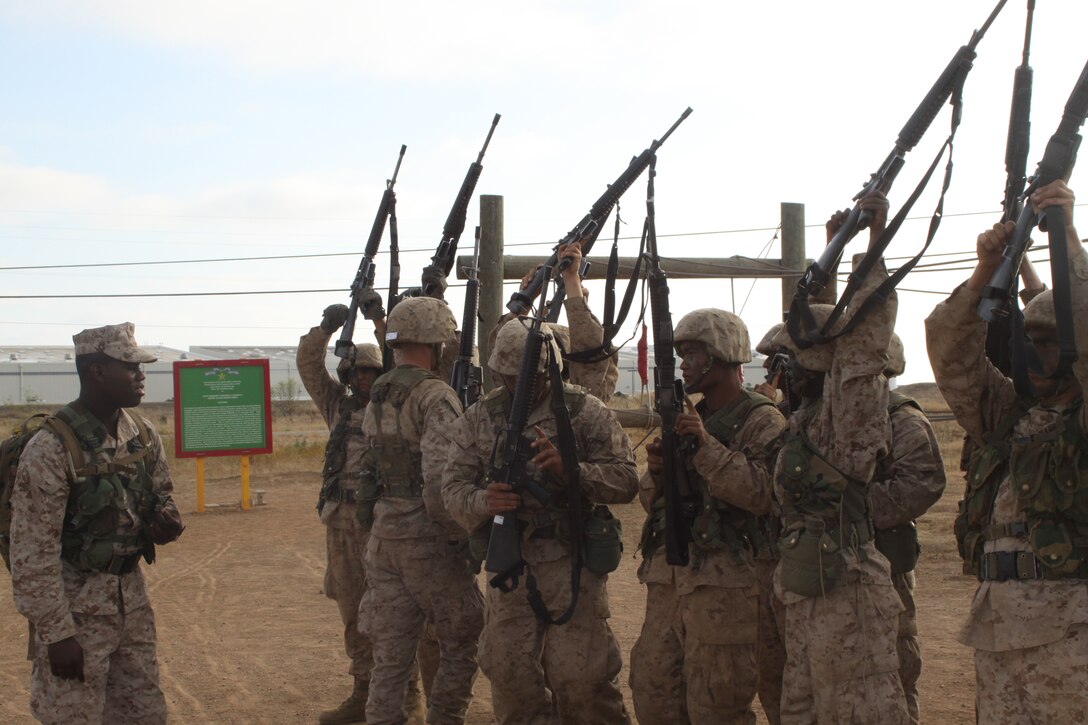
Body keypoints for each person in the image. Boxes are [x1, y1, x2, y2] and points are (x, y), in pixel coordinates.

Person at [925, 179, 1088, 723]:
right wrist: (984, 271)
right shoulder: (1009, 414)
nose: (1035, 354)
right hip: (999, 620)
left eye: (1049, 342)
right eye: (1029, 340)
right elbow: (952, 355)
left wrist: (1065, 239)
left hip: (1072, 628)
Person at [442, 318, 638, 724]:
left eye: (526, 378)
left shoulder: (584, 411)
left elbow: (626, 480)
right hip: (511, 563)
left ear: (549, 370)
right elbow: (452, 489)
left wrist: (573, 472)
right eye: (508, 377)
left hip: (571, 560)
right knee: (510, 674)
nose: (517, 387)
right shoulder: (481, 417)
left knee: (581, 678)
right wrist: (485, 500)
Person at [768, 190, 909, 723]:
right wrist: (833, 253)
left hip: (847, 593)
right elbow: (823, 328)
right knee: (801, 711)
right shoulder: (803, 420)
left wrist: (872, 244)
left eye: (795, 361)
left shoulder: (844, 414)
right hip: (807, 591)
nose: (785, 371)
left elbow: (861, 342)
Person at [9, 323, 185, 724]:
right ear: (97, 371)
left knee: (143, 713)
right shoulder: (52, 447)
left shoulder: (142, 433)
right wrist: (56, 634)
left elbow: (162, 493)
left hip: (132, 607)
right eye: (130, 367)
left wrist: (165, 520)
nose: (142, 376)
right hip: (76, 614)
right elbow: (31, 552)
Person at [628, 308, 786, 724]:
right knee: (654, 694)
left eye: (692, 353)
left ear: (721, 356)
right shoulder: (691, 418)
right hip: (671, 578)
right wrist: (659, 472)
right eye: (681, 354)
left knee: (717, 704)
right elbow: (651, 501)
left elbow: (762, 494)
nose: (685, 364)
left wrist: (704, 446)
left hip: (726, 585)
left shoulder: (762, 419)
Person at [355, 296, 484, 725]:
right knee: (462, 638)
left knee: (390, 657)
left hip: (384, 537)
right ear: (439, 340)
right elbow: (438, 481)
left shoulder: (379, 391)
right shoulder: (435, 396)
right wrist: (460, 536)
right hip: (426, 539)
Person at [299, 304, 430, 725]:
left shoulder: (399, 405)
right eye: (355, 373)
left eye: (370, 373)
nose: (362, 379)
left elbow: (410, 359)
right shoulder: (338, 408)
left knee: (392, 611)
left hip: (383, 524)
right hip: (340, 524)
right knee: (354, 612)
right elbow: (308, 367)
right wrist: (324, 330)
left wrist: (380, 323)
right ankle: (363, 688)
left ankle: (408, 693)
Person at [869, 333, 946, 724]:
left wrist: (851, 510)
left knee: (894, 674)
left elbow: (923, 484)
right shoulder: (829, 415)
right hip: (835, 566)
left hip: (886, 567)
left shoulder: (902, 417)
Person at [491, 241, 619, 402]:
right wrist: (526, 300)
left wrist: (571, 281)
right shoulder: (497, 407)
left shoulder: (578, 410)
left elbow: (589, 362)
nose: (516, 381)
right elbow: (503, 350)